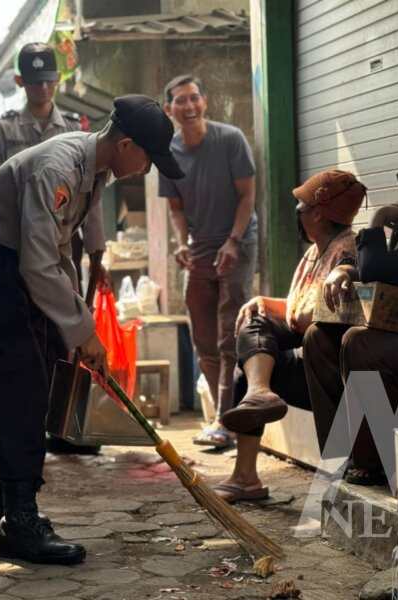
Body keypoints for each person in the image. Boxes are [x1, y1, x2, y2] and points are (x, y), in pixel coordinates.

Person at [0, 94, 183, 564]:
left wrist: (77, 326)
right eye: (147, 158)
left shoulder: (94, 169)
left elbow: (56, 252)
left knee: (40, 370)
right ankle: (19, 521)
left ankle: (3, 482)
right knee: (20, 385)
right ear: (125, 144)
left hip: (16, 261)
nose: (147, 169)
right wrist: (82, 330)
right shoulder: (59, 168)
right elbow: (39, 262)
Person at [214, 170, 365, 503]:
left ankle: (259, 394)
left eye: (302, 205)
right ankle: (248, 467)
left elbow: (319, 315)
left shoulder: (347, 253)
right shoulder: (315, 251)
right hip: (307, 360)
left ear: (318, 212)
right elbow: (298, 307)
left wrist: (279, 313)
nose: (296, 211)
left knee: (254, 347)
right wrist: (266, 303)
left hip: (328, 372)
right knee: (253, 336)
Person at [0, 42, 107, 431]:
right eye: (35, 83)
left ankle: (65, 418)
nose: (43, 90)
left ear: (58, 82)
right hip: (19, 242)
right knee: (24, 329)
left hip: (66, 238)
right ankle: (30, 417)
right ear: (21, 82)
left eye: (49, 81)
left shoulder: (73, 128)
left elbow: (92, 198)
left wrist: (98, 250)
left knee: (65, 326)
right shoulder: (4, 129)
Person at [308, 158, 398, 485]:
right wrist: (343, 270)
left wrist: (376, 223)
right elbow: (374, 270)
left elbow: (379, 269)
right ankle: (339, 457)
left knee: (360, 342)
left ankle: (374, 463)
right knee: (318, 337)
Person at [158, 74, 258, 449]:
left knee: (230, 332)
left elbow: (248, 196)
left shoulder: (230, 139)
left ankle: (227, 420)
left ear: (205, 102)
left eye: (194, 98)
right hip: (199, 247)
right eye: (180, 101)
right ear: (169, 110)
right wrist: (180, 243)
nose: (189, 106)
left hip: (237, 241)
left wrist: (232, 241)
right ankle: (223, 419)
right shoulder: (168, 153)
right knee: (202, 335)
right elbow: (176, 208)